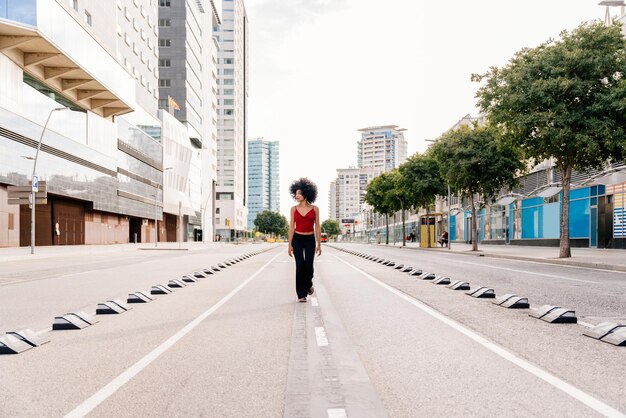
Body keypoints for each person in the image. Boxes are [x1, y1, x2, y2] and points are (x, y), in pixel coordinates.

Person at [288, 177, 322, 302]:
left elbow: (317, 227)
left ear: (306, 194)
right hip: (297, 238)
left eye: (299, 193)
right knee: (299, 266)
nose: (296, 196)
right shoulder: (293, 209)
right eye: (295, 193)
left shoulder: (315, 209)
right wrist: (289, 244)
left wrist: (319, 244)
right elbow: (291, 227)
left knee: (308, 266)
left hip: (309, 239)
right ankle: (301, 294)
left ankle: (308, 285)